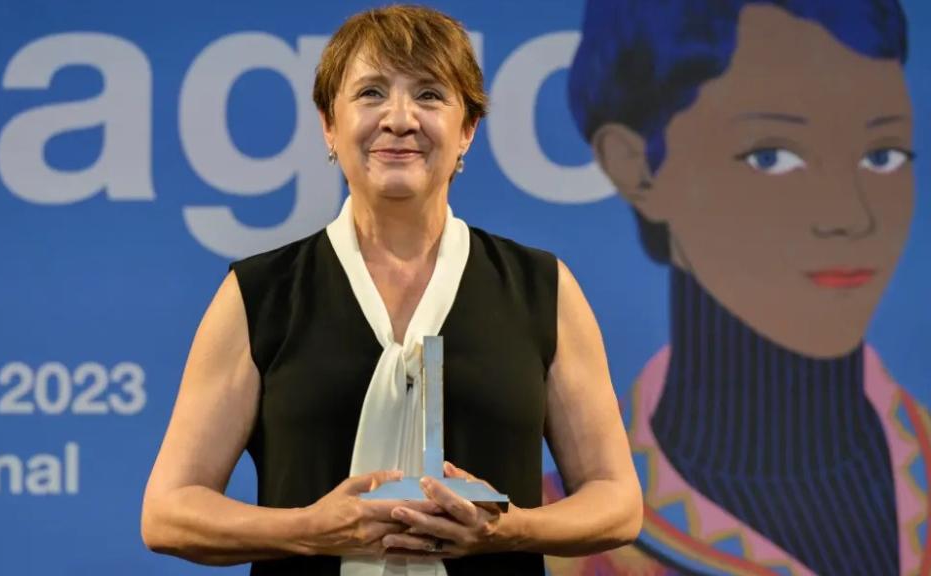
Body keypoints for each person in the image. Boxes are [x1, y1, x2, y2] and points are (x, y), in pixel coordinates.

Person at [141, 5, 642, 576]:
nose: (399, 119)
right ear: (329, 126)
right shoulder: (259, 295)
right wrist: (309, 530)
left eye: (430, 96)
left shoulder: (541, 288)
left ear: (466, 132)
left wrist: (507, 529)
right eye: (371, 93)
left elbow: (617, 502)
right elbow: (168, 513)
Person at [545, 0, 930, 574]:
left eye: (882, 155)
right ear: (637, 166)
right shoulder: (560, 539)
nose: (849, 215)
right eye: (772, 157)